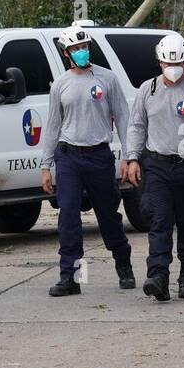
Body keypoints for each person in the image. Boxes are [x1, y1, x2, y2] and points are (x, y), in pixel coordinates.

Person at [124, 33, 184, 301]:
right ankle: (158, 276)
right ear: (159, 63)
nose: (173, 68)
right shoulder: (147, 89)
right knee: (159, 221)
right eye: (168, 63)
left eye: (178, 62)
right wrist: (132, 158)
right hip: (156, 165)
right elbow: (136, 126)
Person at [40, 23, 135, 297]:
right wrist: (46, 165)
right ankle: (72, 277)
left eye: (84, 47)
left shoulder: (107, 79)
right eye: (75, 48)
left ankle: (123, 264)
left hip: (99, 156)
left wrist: (129, 157)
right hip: (69, 157)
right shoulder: (60, 85)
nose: (81, 52)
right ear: (66, 53)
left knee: (107, 216)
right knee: (68, 217)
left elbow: (124, 119)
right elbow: (53, 126)